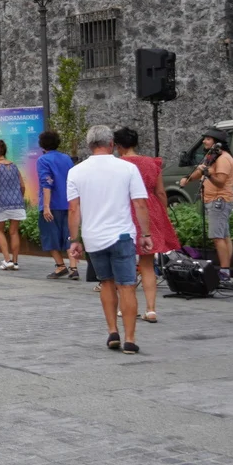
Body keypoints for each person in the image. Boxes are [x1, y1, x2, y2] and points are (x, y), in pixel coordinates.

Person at [67, 126, 154, 355]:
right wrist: (145, 234)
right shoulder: (128, 168)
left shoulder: (76, 172)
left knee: (106, 283)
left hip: (93, 237)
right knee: (126, 286)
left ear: (89, 145)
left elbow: (74, 209)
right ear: (112, 144)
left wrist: (74, 239)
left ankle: (112, 331)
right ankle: (130, 339)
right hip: (122, 235)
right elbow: (140, 203)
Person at [114, 127, 180, 323]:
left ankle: (125, 307)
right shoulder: (152, 162)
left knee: (125, 261)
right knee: (147, 264)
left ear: (118, 146)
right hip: (150, 210)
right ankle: (151, 309)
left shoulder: (118, 165)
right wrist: (163, 213)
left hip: (126, 209)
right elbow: (160, 192)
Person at [178, 128, 233, 282]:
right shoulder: (211, 156)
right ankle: (225, 270)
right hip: (214, 200)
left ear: (217, 143)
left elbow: (220, 182)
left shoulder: (223, 159)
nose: (204, 141)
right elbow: (199, 171)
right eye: (205, 138)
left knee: (217, 237)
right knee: (224, 236)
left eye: (208, 139)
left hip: (219, 201)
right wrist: (188, 178)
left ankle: (224, 272)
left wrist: (208, 174)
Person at [38, 130, 77, 280]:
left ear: (42, 144)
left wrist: (46, 206)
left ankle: (60, 265)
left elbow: (46, 183)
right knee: (69, 235)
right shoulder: (66, 158)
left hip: (52, 204)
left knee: (50, 236)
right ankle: (73, 268)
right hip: (68, 202)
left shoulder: (43, 160)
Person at [0, 140, 27, 271]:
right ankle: (15, 262)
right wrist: (19, 197)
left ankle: (7, 260)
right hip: (17, 202)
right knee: (14, 232)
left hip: (1, 203)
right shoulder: (14, 166)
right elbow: (22, 186)